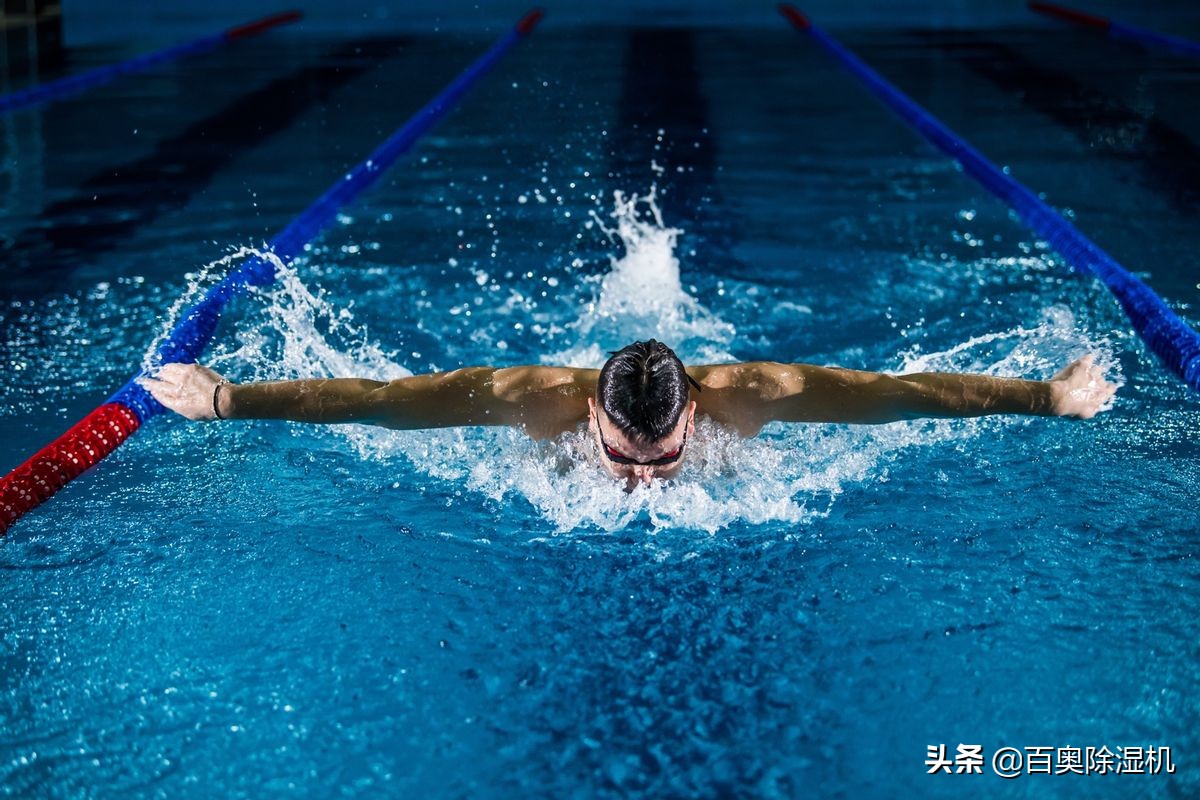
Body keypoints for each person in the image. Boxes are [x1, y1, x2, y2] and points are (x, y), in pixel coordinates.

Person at [140, 339, 1116, 489]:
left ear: (696, 412)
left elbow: (903, 394)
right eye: (622, 455)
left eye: (662, 457)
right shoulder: (528, 399)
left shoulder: (759, 393)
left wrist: (1048, 397)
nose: (641, 479)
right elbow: (381, 404)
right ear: (589, 414)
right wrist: (226, 399)